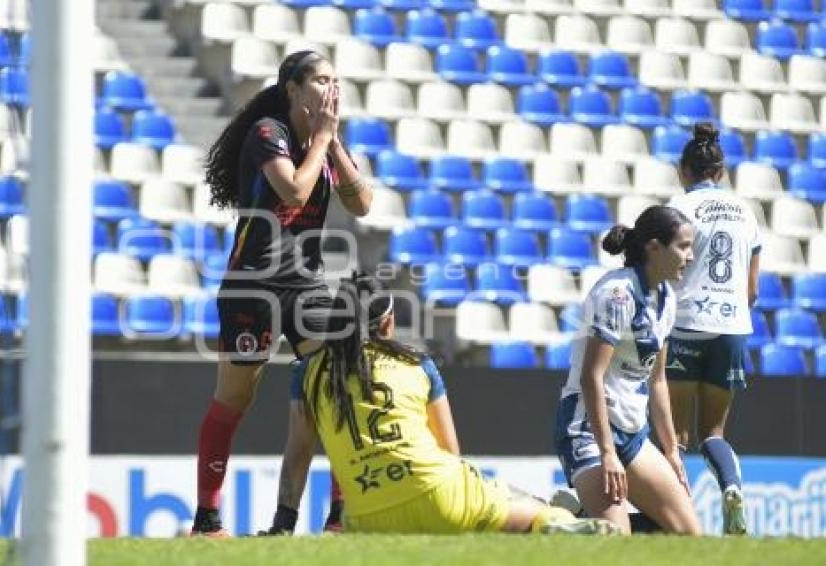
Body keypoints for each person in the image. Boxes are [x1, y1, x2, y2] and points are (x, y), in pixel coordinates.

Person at [271, 273, 619, 535]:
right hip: (439, 496)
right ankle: (556, 521)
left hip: (364, 516)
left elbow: (297, 455)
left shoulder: (310, 374)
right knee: (529, 511)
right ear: (388, 323)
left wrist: (283, 525)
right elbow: (450, 452)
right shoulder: (416, 363)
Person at [191, 50, 373, 536]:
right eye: (320, 80)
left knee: (340, 386)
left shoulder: (327, 143)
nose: (331, 89)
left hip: (307, 285)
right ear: (293, 90)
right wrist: (320, 143)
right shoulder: (268, 134)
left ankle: (339, 516)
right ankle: (206, 519)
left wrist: (332, 148)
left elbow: (362, 204)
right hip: (253, 284)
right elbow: (292, 190)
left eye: (336, 79)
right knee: (234, 399)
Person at [553, 205, 702, 536]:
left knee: (691, 536)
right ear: (653, 247)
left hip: (632, 434)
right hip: (588, 429)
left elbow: (658, 380)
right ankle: (552, 519)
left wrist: (671, 451)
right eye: (683, 246)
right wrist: (607, 452)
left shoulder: (668, 298)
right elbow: (592, 377)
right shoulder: (617, 295)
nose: (690, 256)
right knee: (617, 541)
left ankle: (576, 516)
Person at [665, 122, 761, 536]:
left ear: (683, 170)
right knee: (714, 433)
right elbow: (752, 291)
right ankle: (732, 488)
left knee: (675, 436)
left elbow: (663, 272)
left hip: (687, 324)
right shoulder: (746, 211)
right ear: (721, 171)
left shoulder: (677, 208)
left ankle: (674, 518)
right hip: (733, 326)